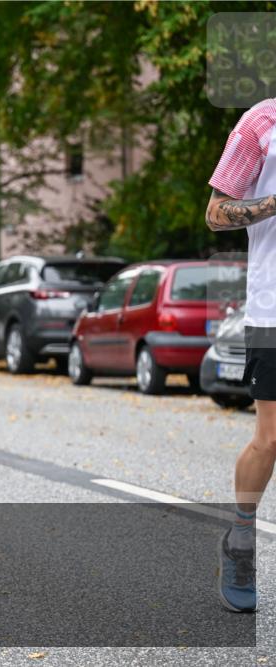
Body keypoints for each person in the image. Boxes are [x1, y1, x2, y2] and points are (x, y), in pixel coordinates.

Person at [205, 97, 276, 613]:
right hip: (273, 310)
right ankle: (242, 541)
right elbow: (216, 213)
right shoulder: (261, 123)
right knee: (271, 439)